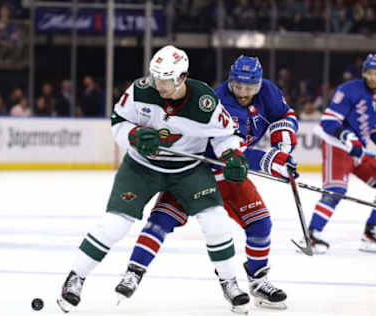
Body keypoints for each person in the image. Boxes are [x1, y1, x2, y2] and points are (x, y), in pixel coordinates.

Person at [57, 45, 251, 314]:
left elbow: (226, 135)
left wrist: (232, 156)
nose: (159, 84)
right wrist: (134, 136)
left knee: (216, 221)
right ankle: (75, 277)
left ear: (182, 77)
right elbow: (118, 123)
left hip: (188, 169)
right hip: (141, 167)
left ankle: (229, 281)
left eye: (166, 79)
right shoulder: (140, 90)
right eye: (156, 77)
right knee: (114, 225)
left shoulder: (204, 102)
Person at [114, 56, 299, 310]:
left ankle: (258, 280)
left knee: (260, 224)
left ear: (258, 84)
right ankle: (134, 271)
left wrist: (283, 145)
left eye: (249, 88)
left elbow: (284, 115)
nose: (243, 93)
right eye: (238, 86)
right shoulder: (218, 100)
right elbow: (233, 147)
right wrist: (271, 160)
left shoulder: (269, 91)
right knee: (161, 221)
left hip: (231, 174)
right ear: (230, 81)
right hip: (195, 171)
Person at [307, 53, 376, 254]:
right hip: (336, 145)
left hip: (357, 149)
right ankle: (311, 235)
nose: (373, 77)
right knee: (336, 190)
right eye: (369, 72)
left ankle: (372, 233)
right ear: (364, 72)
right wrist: (347, 137)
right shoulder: (348, 90)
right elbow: (329, 122)